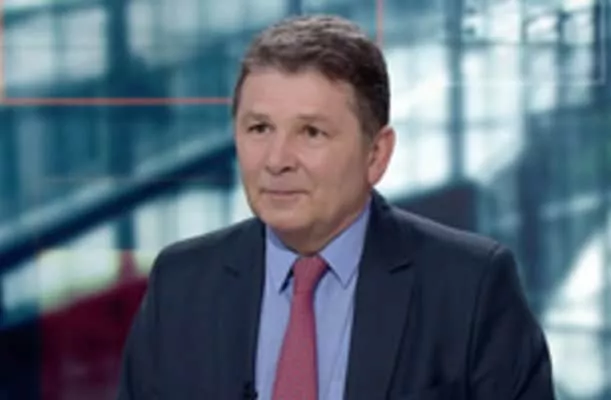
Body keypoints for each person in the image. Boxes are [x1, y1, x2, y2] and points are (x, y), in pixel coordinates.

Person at [117, 14, 555, 400]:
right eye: (260, 128)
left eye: (311, 132)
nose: (276, 160)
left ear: (376, 154)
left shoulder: (470, 287)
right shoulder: (181, 284)